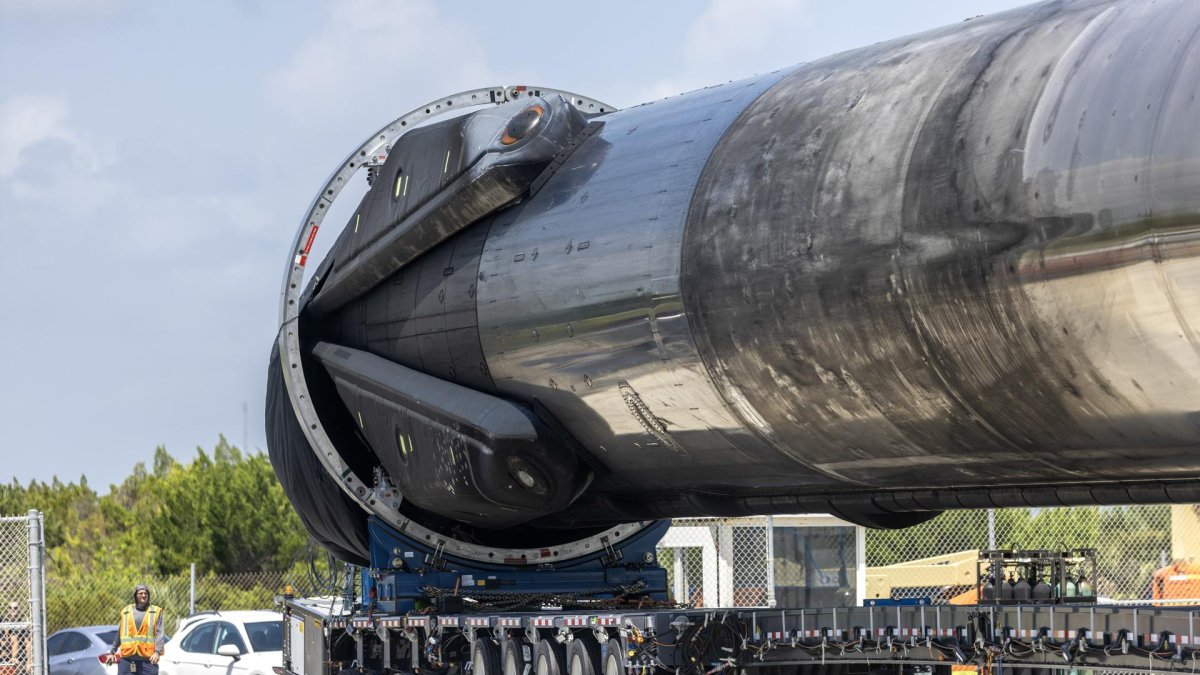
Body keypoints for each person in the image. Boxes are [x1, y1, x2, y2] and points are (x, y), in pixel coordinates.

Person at [107, 586, 165, 675]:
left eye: (146, 593)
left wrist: (157, 652)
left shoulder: (156, 611)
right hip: (127, 660)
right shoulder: (126, 611)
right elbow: (120, 633)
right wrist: (112, 652)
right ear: (136, 596)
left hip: (148, 660)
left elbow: (160, 634)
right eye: (140, 593)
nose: (143, 595)